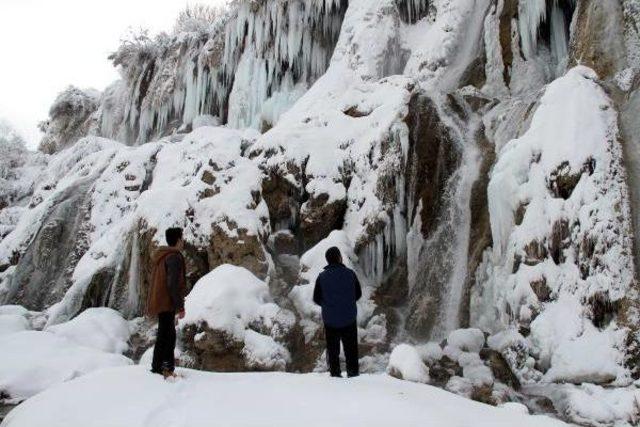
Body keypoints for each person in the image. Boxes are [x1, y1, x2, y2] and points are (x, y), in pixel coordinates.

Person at [313, 246, 362, 378]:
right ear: (339, 258)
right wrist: (347, 303)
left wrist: (328, 305)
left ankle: (335, 374)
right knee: (351, 349)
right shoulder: (350, 274)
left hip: (330, 320)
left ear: (327, 261)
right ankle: (353, 373)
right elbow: (358, 294)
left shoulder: (321, 277)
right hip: (349, 318)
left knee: (333, 350)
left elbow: (316, 298)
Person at [147, 227, 187, 379]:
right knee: (168, 335)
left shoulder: (162, 256)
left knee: (164, 333)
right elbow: (172, 284)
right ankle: (166, 368)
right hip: (167, 301)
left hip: (160, 300)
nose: (183, 242)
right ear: (177, 240)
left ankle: (157, 366)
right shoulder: (174, 257)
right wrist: (180, 306)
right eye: (182, 238)